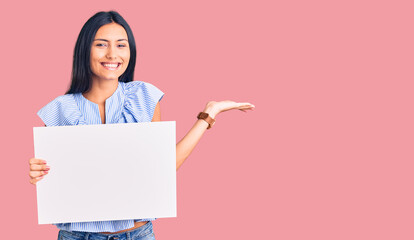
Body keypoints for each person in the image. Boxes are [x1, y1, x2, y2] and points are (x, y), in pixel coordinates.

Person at [29, 11, 254, 240]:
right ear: (84, 49)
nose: (112, 54)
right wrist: (40, 174)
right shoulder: (60, 109)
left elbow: (161, 167)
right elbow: (61, 183)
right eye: (101, 44)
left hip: (136, 234)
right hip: (77, 235)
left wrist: (208, 115)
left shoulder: (143, 97)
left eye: (121, 45)